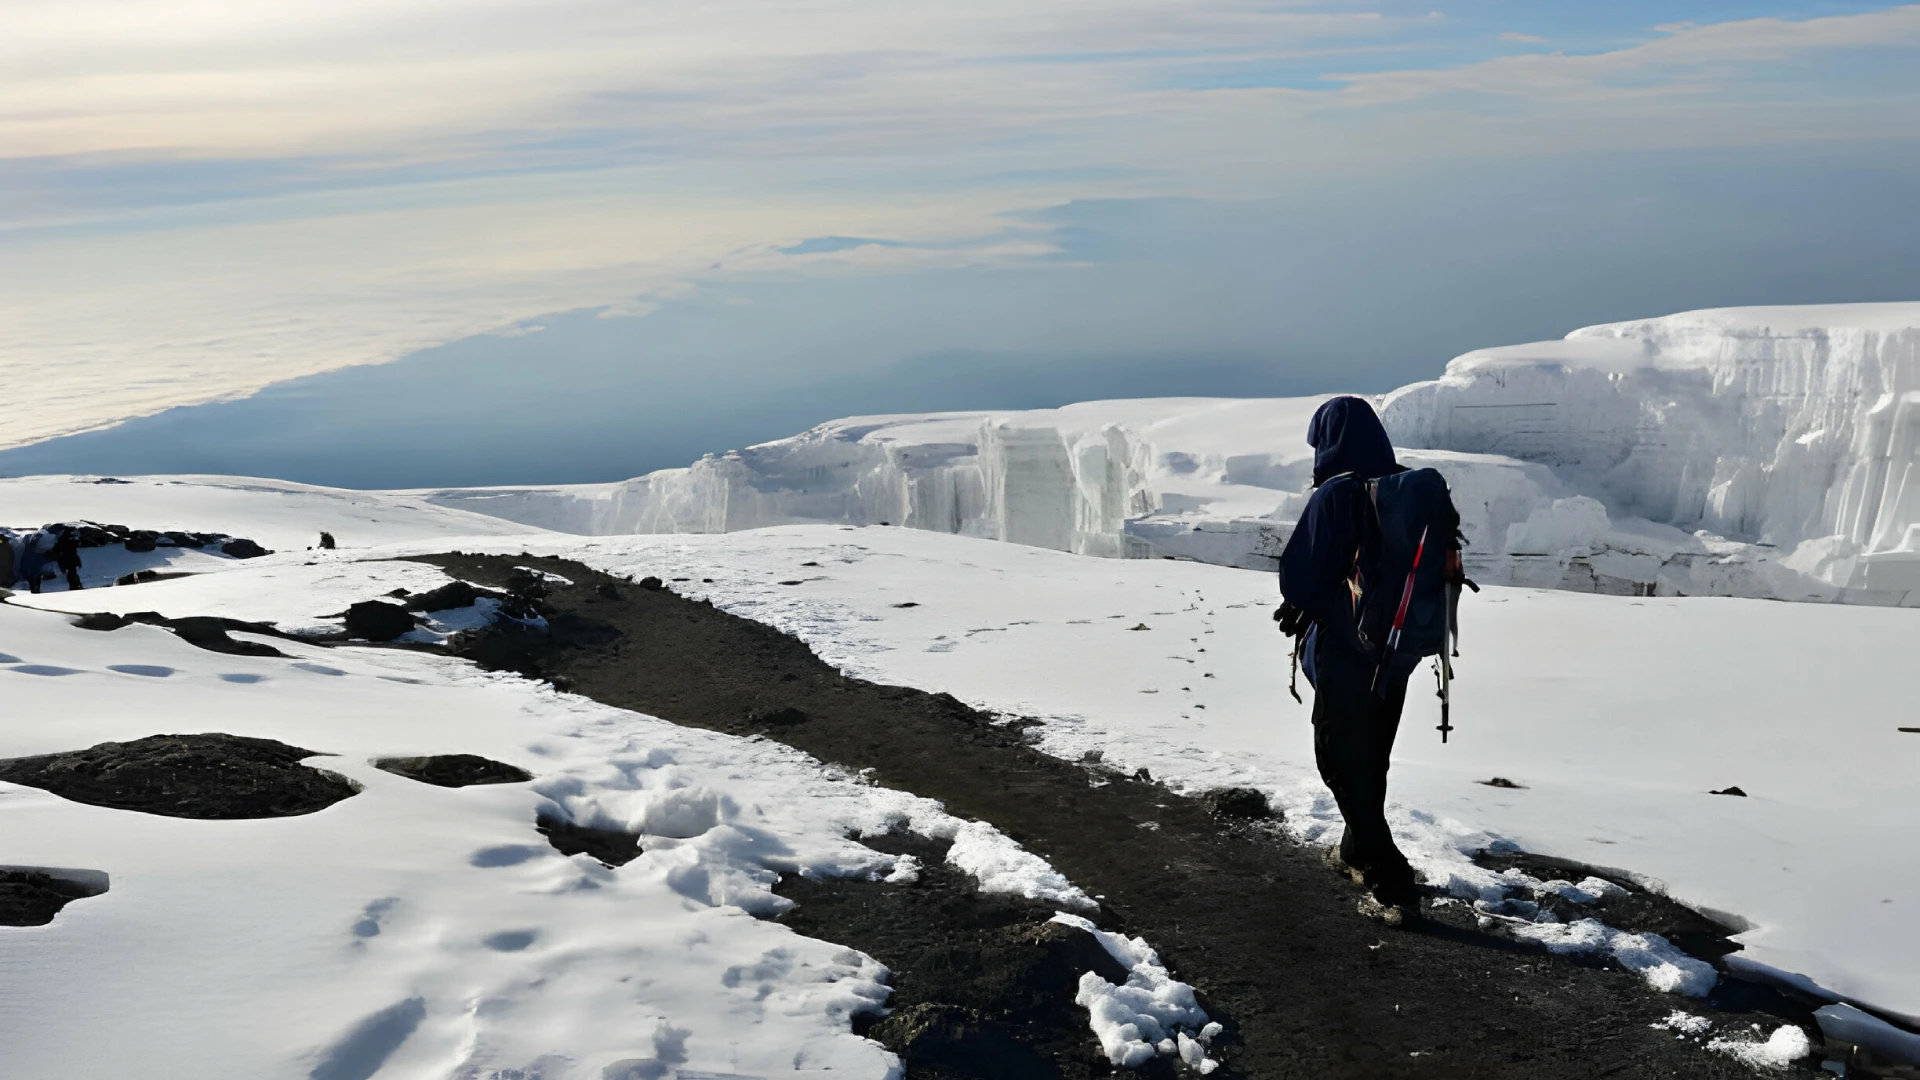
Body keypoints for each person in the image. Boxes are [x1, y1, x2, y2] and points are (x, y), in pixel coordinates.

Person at [1276, 396, 1457, 924]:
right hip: (1397, 649)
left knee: (1337, 754)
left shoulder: (1338, 493)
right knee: (1371, 751)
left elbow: (1302, 578)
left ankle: (1390, 875)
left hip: (1347, 649)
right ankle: (1357, 850)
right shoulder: (1408, 487)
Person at [50, 527, 84, 591]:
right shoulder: (71, 540)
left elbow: (56, 550)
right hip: (71, 559)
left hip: (65, 559)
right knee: (72, 572)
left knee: (70, 573)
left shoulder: (60, 540)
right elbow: (77, 545)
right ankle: (75, 585)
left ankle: (74, 585)